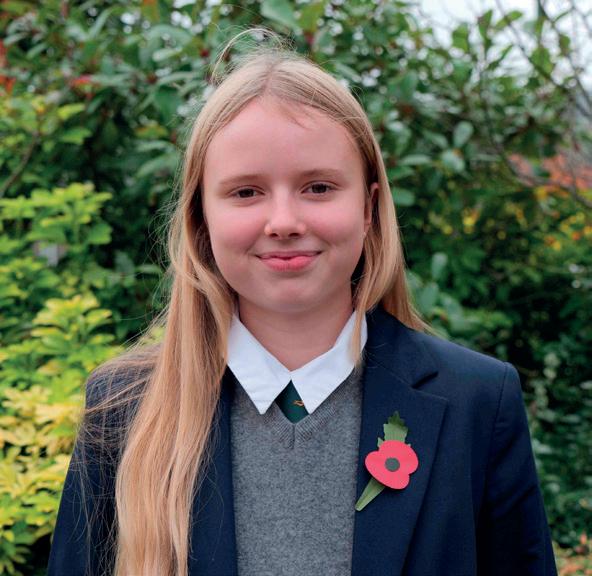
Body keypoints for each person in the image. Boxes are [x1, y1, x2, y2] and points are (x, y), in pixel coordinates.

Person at [47, 30, 557, 576]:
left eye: (318, 187)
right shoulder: (123, 410)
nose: (284, 222)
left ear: (368, 207)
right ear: (200, 218)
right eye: (246, 192)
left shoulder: (476, 403)